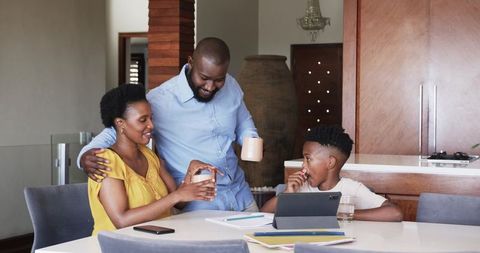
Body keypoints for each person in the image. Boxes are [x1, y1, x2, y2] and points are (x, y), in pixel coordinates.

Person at [78, 37, 260, 212]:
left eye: (219, 80)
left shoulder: (232, 86)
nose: (210, 86)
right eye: (204, 78)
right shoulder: (159, 100)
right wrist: (85, 155)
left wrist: (251, 139)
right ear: (190, 62)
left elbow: (244, 123)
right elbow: (118, 130)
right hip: (198, 201)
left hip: (240, 193)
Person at [88, 84, 216, 235]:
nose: (151, 125)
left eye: (151, 118)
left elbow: (180, 201)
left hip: (158, 242)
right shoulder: (105, 162)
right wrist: (176, 196)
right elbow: (121, 220)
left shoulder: (148, 155)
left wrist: (191, 173)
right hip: (117, 246)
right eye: (143, 120)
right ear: (120, 123)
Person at [261, 125, 403, 222]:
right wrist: (287, 194)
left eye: (308, 158)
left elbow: (395, 213)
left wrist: (344, 214)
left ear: (330, 163)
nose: (303, 165)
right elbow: (263, 214)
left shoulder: (352, 189)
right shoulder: (301, 188)